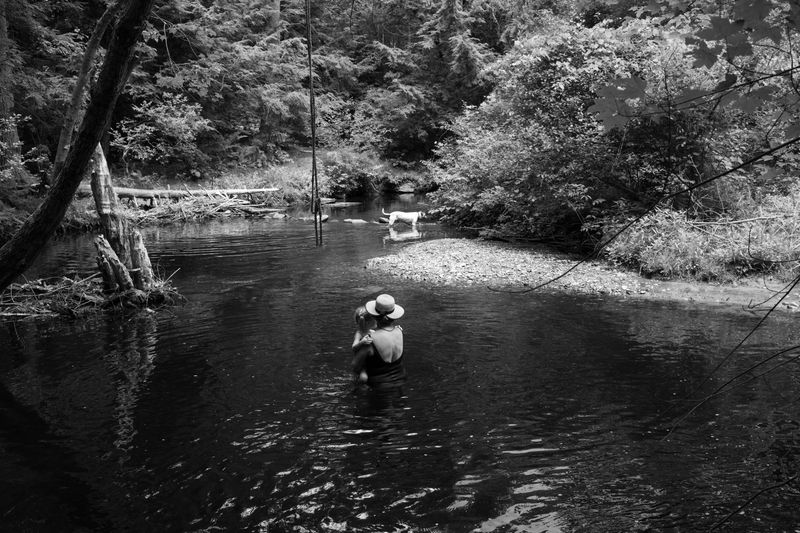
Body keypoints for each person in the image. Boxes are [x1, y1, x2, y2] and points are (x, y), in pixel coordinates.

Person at [352, 294, 406, 387]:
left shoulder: (370, 339)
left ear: (375, 315)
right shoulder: (400, 331)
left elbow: (355, 366)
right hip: (401, 381)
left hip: (379, 386)